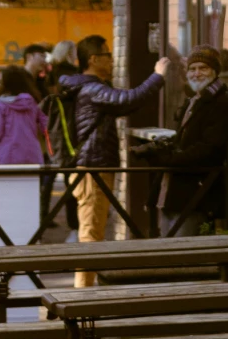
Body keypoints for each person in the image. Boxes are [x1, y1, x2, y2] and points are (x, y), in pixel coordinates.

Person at [65, 45, 168, 286]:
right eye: (108, 56)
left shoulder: (88, 87)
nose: (112, 61)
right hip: (92, 169)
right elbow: (128, 99)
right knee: (90, 234)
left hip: (94, 166)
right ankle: (82, 297)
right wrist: (158, 76)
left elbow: (127, 105)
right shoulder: (92, 88)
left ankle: (86, 291)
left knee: (94, 231)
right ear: (93, 59)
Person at [159, 46, 228, 233]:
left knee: (186, 251)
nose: (197, 74)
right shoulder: (192, 100)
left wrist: (169, 160)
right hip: (177, 192)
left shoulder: (222, 104)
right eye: (192, 68)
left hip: (198, 195)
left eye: (203, 68)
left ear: (215, 71)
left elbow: (209, 149)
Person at [0, 67, 44, 165]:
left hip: (3, 158)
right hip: (31, 157)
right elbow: (45, 127)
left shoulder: (0, 103)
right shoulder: (34, 103)